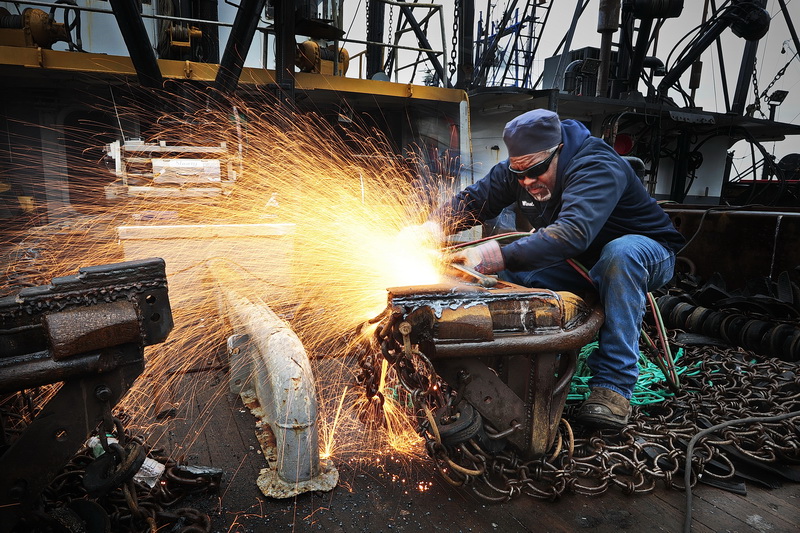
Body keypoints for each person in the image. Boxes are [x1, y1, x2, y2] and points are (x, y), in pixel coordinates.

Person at [426, 109, 685, 430]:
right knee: (501, 281)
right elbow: (477, 198)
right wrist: (433, 227)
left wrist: (492, 253)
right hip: (580, 260)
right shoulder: (523, 167)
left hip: (646, 253)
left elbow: (572, 234)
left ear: (558, 151)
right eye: (519, 173)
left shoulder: (596, 165)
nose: (527, 181)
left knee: (620, 254)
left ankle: (613, 387)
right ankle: (493, 367)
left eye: (535, 170)